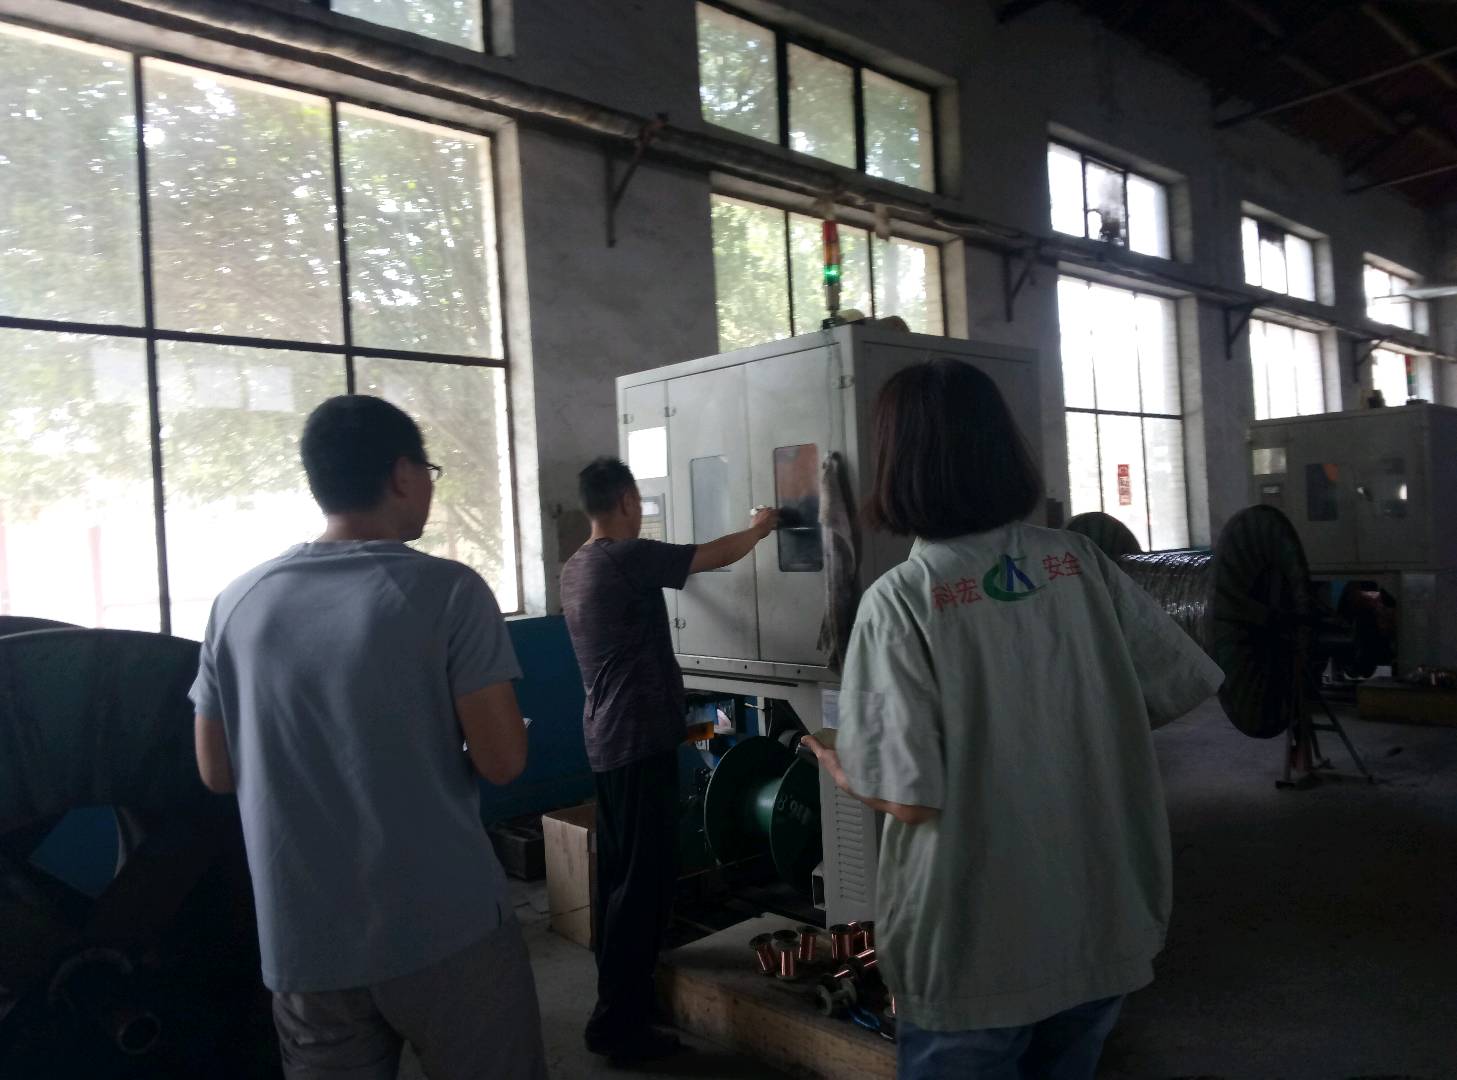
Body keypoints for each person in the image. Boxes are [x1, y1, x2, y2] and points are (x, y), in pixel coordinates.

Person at [802, 359, 1224, 1080]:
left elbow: (906, 795)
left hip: (977, 952)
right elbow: (1169, 688)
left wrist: (840, 761)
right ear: (1004, 449)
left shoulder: (902, 600)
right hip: (1103, 920)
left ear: (897, 465)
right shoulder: (1080, 562)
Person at [190, 395, 547, 1080]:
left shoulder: (236, 601)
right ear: (403, 475)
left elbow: (217, 770)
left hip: (304, 946)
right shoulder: (448, 590)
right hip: (444, 929)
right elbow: (503, 761)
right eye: (429, 472)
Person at [560, 456, 778, 1065]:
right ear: (628, 501)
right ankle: (620, 1026)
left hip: (608, 741)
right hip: (638, 743)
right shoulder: (624, 558)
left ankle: (622, 1001)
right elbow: (710, 556)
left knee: (621, 879)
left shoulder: (576, 566)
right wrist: (761, 527)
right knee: (644, 885)